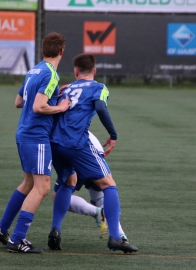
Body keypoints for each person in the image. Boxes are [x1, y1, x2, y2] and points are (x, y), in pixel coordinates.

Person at [47, 53, 138, 253]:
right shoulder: (99, 87)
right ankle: (115, 237)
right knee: (109, 185)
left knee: (66, 184)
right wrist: (113, 134)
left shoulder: (67, 88)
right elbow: (100, 107)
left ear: (76, 71)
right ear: (94, 71)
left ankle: (55, 230)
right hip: (77, 143)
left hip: (55, 142)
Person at [0, 32, 70, 253]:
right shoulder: (51, 74)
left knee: (28, 184)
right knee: (42, 187)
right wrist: (60, 107)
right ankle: (17, 240)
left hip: (23, 133)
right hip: (36, 136)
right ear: (61, 51)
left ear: (43, 50)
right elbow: (38, 107)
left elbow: (18, 101)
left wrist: (52, 96)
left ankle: (1, 229)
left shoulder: (34, 70)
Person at [52, 131, 129, 241]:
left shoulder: (58, 119)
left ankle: (97, 212)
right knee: (101, 193)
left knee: (58, 196)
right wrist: (113, 135)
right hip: (94, 149)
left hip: (78, 149)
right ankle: (121, 237)